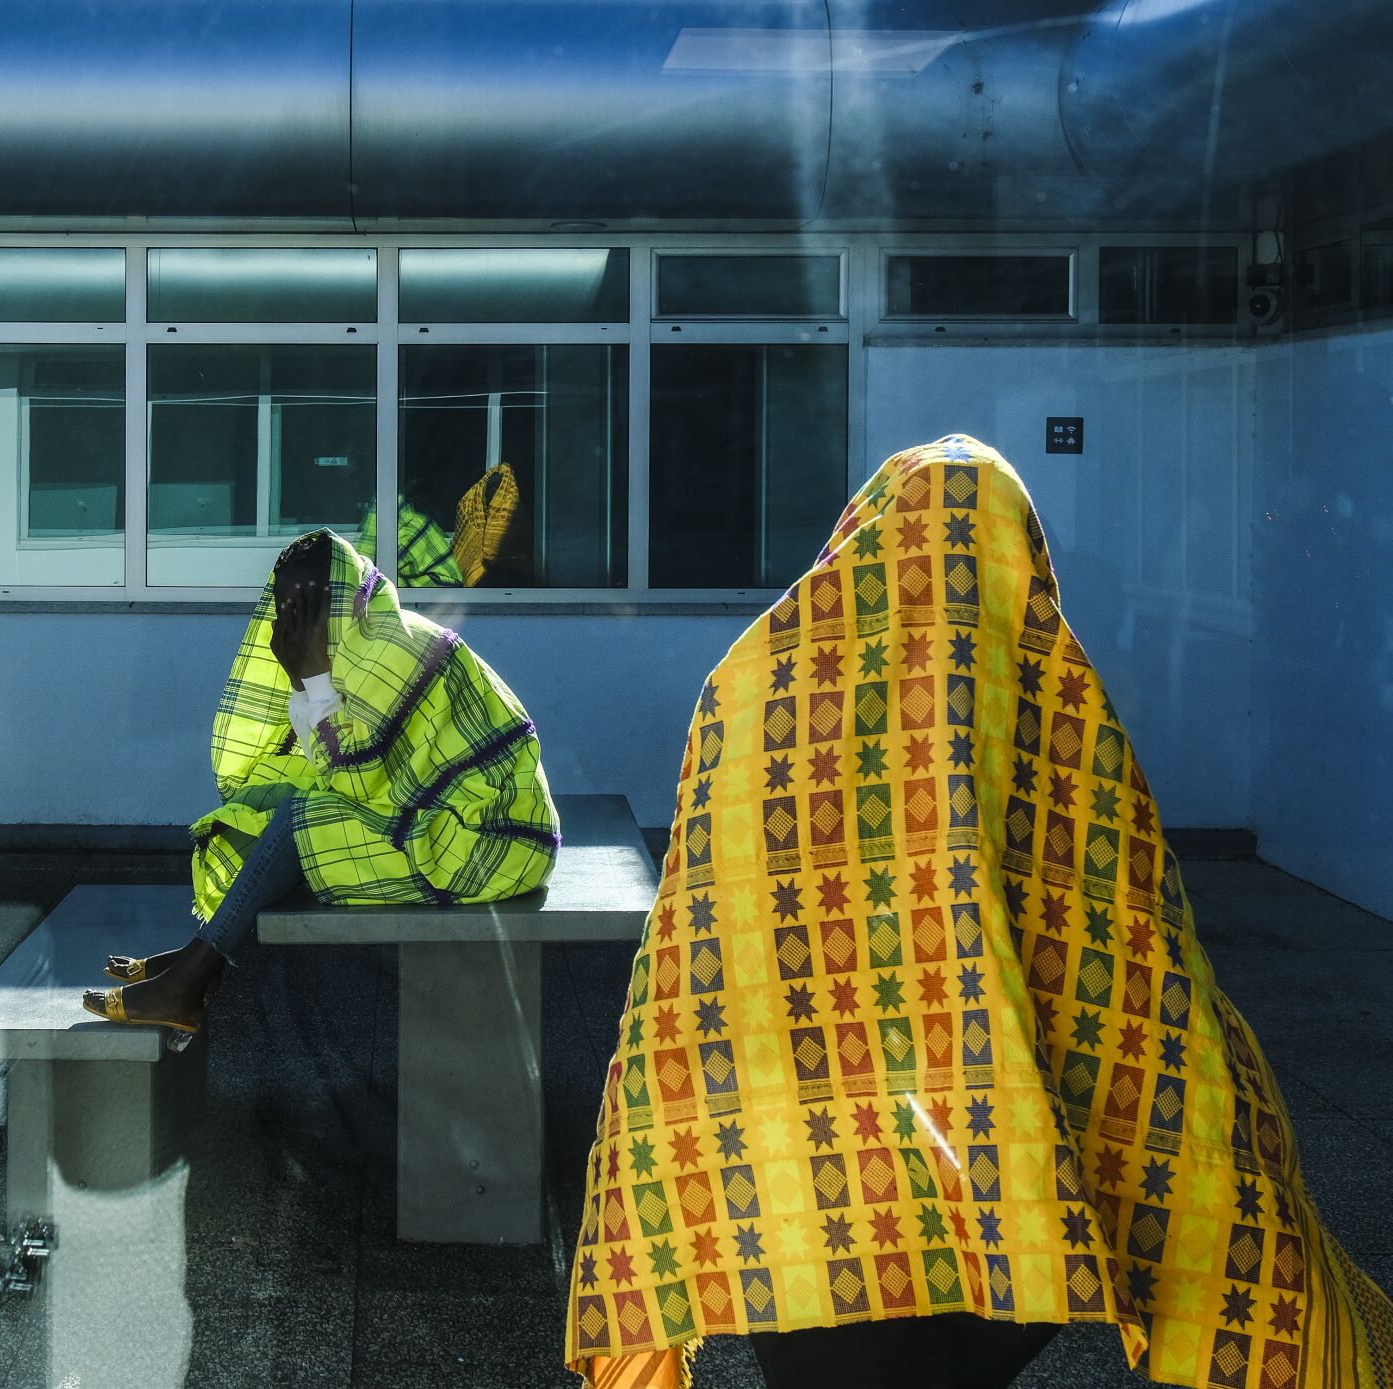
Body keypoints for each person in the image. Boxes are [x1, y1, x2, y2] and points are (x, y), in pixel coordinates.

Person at [565, 437, 1393, 1389]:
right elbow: (1129, 948)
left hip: (789, 1166)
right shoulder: (1054, 707)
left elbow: (693, 943)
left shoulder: (752, 691)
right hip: (994, 1178)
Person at [83, 528, 559, 1043]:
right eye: (285, 609)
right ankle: (202, 956)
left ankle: (191, 973)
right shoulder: (358, 643)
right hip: (445, 814)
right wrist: (305, 679)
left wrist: (310, 676)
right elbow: (347, 770)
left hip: (494, 838)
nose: (293, 623)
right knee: (267, 802)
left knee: (301, 821)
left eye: (307, 608)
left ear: (339, 600)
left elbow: (354, 782)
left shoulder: (392, 650)